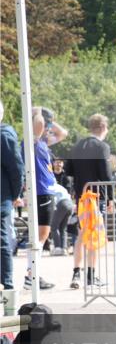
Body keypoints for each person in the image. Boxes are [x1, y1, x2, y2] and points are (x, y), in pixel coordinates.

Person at [63, 114, 114, 289]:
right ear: (102, 128)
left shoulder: (77, 146)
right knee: (95, 233)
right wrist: (111, 198)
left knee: (81, 234)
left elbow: (68, 170)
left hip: (81, 196)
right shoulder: (102, 147)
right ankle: (91, 276)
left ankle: (76, 273)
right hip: (96, 196)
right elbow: (105, 175)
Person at [23, 109, 66, 288]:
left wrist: (50, 120)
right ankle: (32, 276)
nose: (48, 128)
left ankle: (33, 275)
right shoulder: (32, 140)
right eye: (47, 125)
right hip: (42, 192)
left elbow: (63, 133)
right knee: (41, 236)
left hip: (44, 191)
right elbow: (39, 124)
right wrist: (39, 113)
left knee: (40, 236)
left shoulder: (41, 142)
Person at [1, 100, 23, 291]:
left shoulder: (4, 136)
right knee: (2, 242)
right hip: (2, 197)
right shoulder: (5, 136)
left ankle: (7, 286)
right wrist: (15, 193)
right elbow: (16, 169)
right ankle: (6, 286)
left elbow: (16, 169)